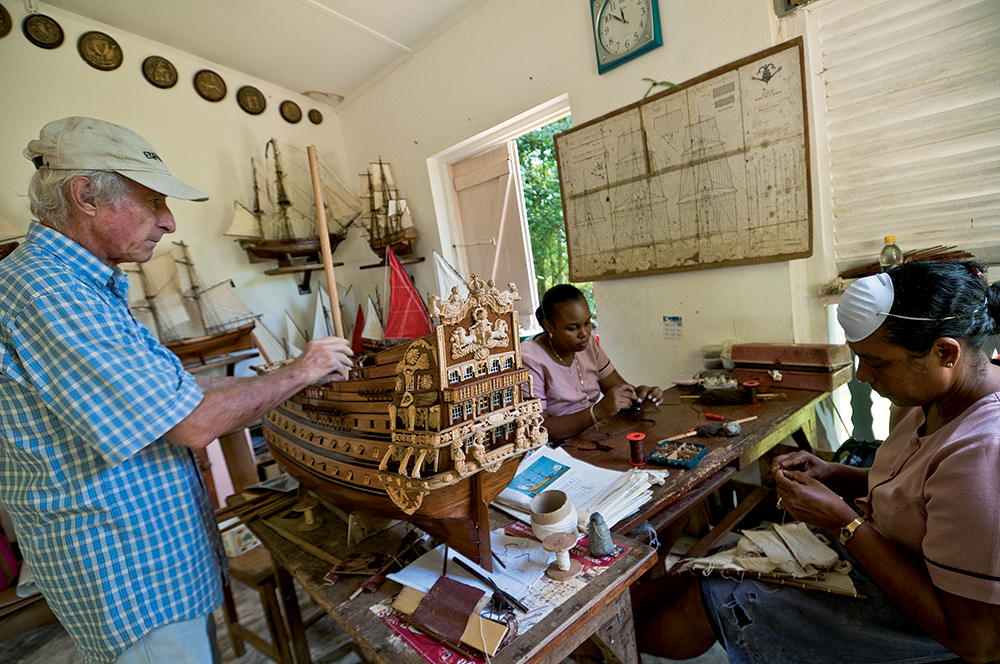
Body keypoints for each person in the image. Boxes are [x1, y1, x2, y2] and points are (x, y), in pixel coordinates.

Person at [0, 117, 354, 664]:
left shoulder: (77, 285)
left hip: (150, 567)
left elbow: (175, 389)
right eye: (152, 201)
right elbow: (192, 422)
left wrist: (280, 375)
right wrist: (299, 373)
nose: (168, 221)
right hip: (128, 579)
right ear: (86, 196)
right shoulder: (51, 291)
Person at [630, 260, 1000, 663]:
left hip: (914, 615)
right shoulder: (933, 398)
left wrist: (845, 522)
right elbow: (913, 490)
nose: (862, 375)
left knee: (713, 596)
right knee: (703, 569)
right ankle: (609, 632)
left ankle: (607, 644)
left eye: (877, 363)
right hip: (876, 558)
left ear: (945, 352)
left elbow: (977, 642)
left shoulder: (984, 452)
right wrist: (835, 475)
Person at [521, 284, 662, 440]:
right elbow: (538, 429)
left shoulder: (588, 345)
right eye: (573, 328)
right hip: (558, 446)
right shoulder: (530, 359)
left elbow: (619, 389)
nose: (584, 333)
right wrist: (597, 412)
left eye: (587, 323)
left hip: (595, 434)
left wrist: (640, 396)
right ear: (549, 326)